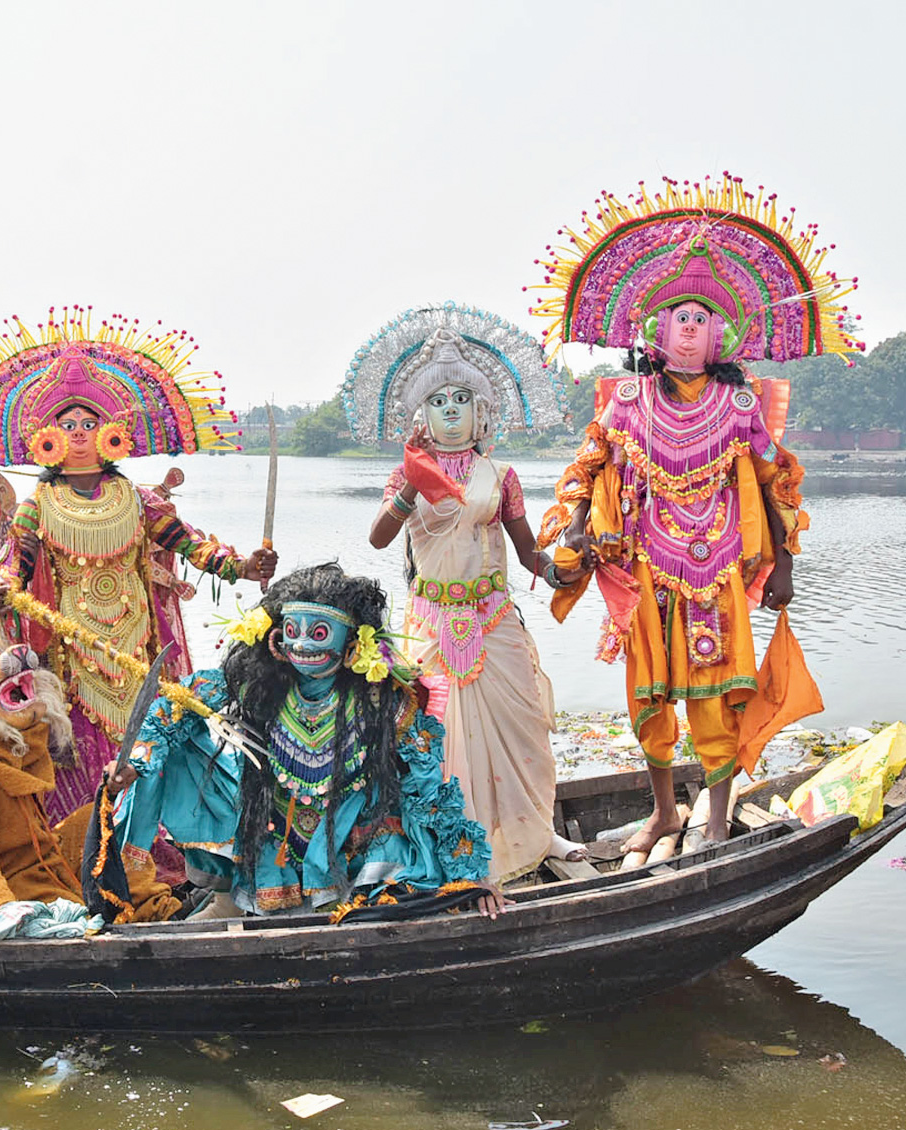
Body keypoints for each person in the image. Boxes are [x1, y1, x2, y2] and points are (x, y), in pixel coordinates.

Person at [528, 176, 857, 861]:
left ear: (721, 335)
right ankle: (660, 813)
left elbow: (776, 483)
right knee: (649, 699)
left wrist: (787, 560)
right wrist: (579, 525)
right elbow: (587, 470)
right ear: (653, 327)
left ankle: (712, 821)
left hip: (718, 571)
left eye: (702, 316)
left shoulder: (741, 409)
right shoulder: (624, 402)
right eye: (677, 311)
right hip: (647, 566)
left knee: (714, 699)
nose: (687, 324)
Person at [0, 310, 277, 831]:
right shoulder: (39, 502)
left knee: (150, 746)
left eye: (88, 425)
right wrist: (0, 591)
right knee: (83, 752)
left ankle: (155, 849)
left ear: (110, 433)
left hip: (138, 643)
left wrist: (244, 567)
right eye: (66, 426)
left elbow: (188, 544)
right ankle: (86, 853)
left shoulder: (135, 499)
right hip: (75, 653)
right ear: (46, 437)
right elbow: (14, 566)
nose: (77, 435)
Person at [110, 563, 504, 920]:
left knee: (393, 871)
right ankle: (236, 898)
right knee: (181, 750)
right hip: (272, 832)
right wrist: (135, 764)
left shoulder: (383, 700)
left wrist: (470, 877)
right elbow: (173, 712)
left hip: (355, 839)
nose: (302, 645)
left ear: (352, 642)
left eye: (318, 633)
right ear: (274, 637)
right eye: (291, 631)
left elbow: (429, 792)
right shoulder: (255, 687)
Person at [347, 310, 587, 882]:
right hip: (431, 619)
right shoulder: (405, 472)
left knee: (521, 723)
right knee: (436, 734)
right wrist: (412, 484)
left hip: (491, 615)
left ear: (482, 413)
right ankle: (449, 841)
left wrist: (561, 572)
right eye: (438, 401)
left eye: (461, 399)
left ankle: (531, 828)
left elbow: (528, 552)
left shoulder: (499, 474)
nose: (450, 410)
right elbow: (380, 537)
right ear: (419, 416)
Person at [0, 629, 180, 926]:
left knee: (110, 815)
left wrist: (110, 797)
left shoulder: (10, 746)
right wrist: (1, 907)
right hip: (9, 894)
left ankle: (155, 909)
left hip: (47, 865)